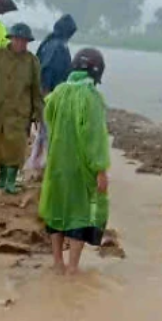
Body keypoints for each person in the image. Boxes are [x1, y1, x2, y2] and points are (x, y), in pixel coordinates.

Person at [38, 48, 109, 274]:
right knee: (79, 214)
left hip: (57, 163)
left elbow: (48, 120)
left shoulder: (57, 93)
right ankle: (73, 268)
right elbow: (94, 137)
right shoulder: (92, 98)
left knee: (56, 209)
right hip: (80, 167)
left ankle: (57, 261)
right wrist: (100, 169)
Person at [0, 23, 43, 195]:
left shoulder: (32, 62)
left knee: (16, 147)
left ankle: (11, 180)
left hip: (21, 112)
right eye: (17, 39)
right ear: (11, 39)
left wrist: (38, 112)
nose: (20, 43)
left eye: (24, 41)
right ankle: (2, 178)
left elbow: (36, 90)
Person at [28, 14, 78, 176]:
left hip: (47, 94)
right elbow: (47, 71)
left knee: (43, 131)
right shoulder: (58, 47)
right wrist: (47, 96)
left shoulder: (47, 43)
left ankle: (36, 163)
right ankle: (50, 166)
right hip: (50, 95)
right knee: (50, 132)